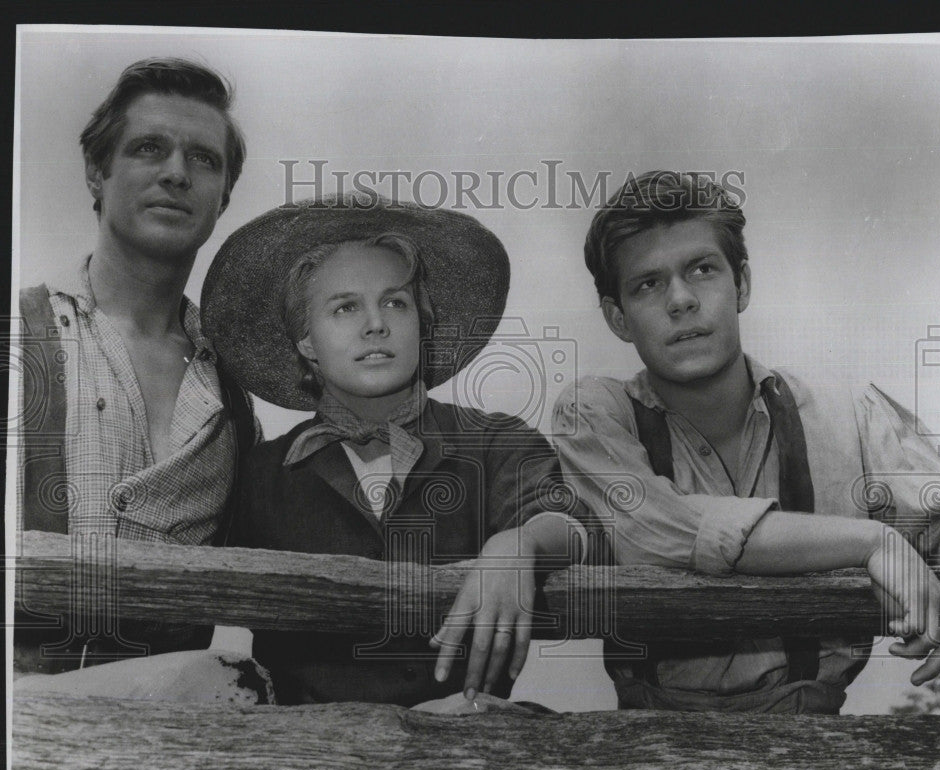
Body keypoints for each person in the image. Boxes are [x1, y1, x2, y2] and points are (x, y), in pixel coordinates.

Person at [552, 170, 940, 713]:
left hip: (817, 752)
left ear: (743, 284)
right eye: (648, 283)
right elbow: (651, 530)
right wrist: (872, 542)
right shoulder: (594, 414)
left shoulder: (844, 413)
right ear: (618, 317)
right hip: (654, 754)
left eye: (702, 270)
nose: (681, 300)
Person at [201, 194, 599, 707]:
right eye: (345, 307)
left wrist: (521, 545)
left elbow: (577, 525)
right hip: (310, 761)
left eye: (395, 302)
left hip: (471, 753)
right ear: (305, 341)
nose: (376, 324)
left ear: (422, 323)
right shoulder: (259, 474)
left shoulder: (494, 440)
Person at [16, 58, 256, 674]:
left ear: (222, 197)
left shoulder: (233, 391)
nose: (177, 173)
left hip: (165, 741)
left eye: (204, 159)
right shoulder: (17, 338)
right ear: (97, 172)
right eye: (150, 149)